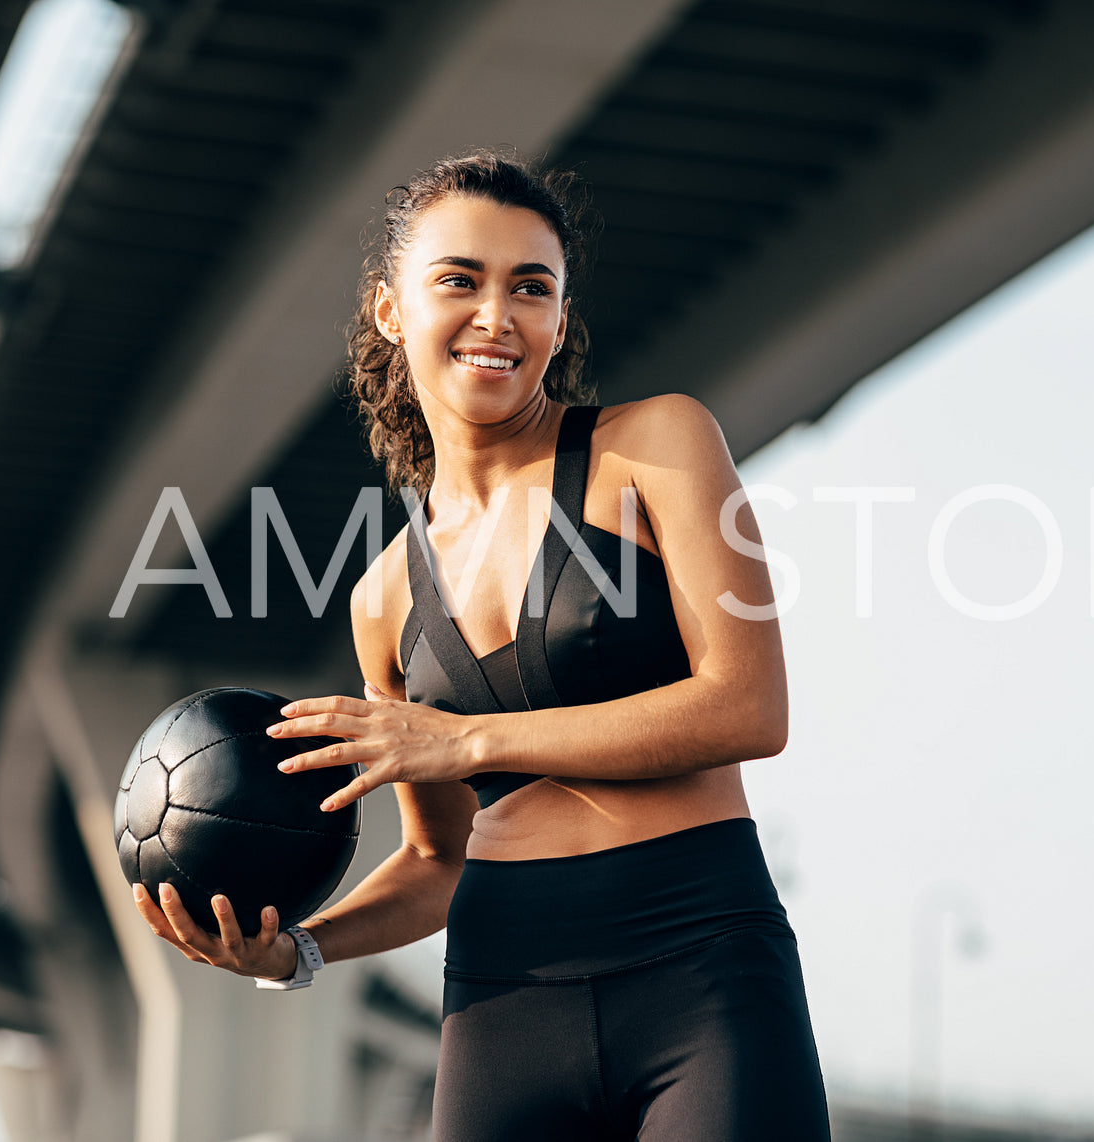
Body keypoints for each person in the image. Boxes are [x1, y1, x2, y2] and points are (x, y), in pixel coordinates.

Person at [132, 148, 833, 1141]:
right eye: (459, 279)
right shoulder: (383, 596)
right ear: (390, 309)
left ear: (557, 319)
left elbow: (747, 707)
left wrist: (466, 743)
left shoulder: (655, 445)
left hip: (701, 965)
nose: (497, 315)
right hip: (503, 1001)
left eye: (530, 287)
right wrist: (299, 951)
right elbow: (435, 859)